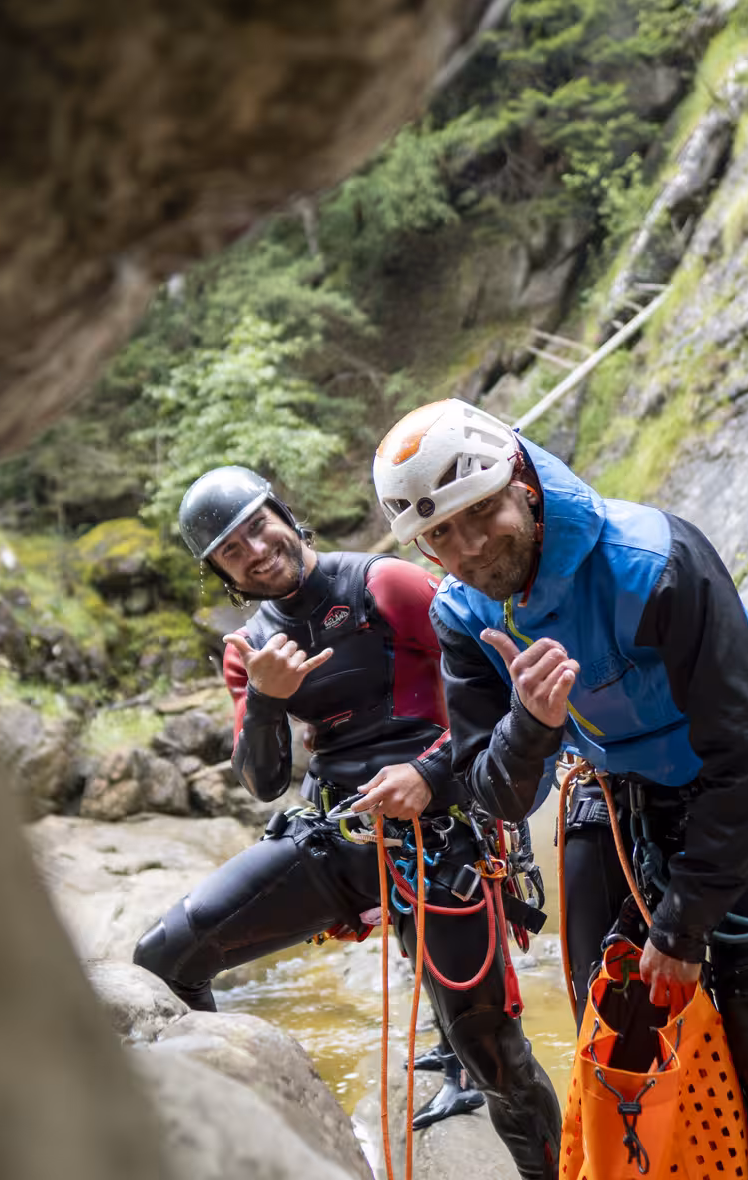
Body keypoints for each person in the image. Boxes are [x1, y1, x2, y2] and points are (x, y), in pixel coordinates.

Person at [372, 401, 748, 1179]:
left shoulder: (652, 561)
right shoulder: (461, 612)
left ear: (521, 482)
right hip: (615, 786)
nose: (472, 548)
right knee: (613, 1020)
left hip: (744, 778)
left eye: (481, 512)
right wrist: (530, 721)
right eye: (442, 534)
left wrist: (682, 929)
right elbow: (497, 795)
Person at [131, 466, 563, 1177]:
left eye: (257, 527)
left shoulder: (384, 584)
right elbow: (265, 781)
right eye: (232, 551)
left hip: (440, 829)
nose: (255, 550)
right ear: (222, 575)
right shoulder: (249, 650)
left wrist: (431, 776)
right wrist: (268, 701)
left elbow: (497, 694)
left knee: (495, 1053)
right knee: (166, 959)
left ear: (284, 514)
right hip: (337, 831)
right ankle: (235, 1138)